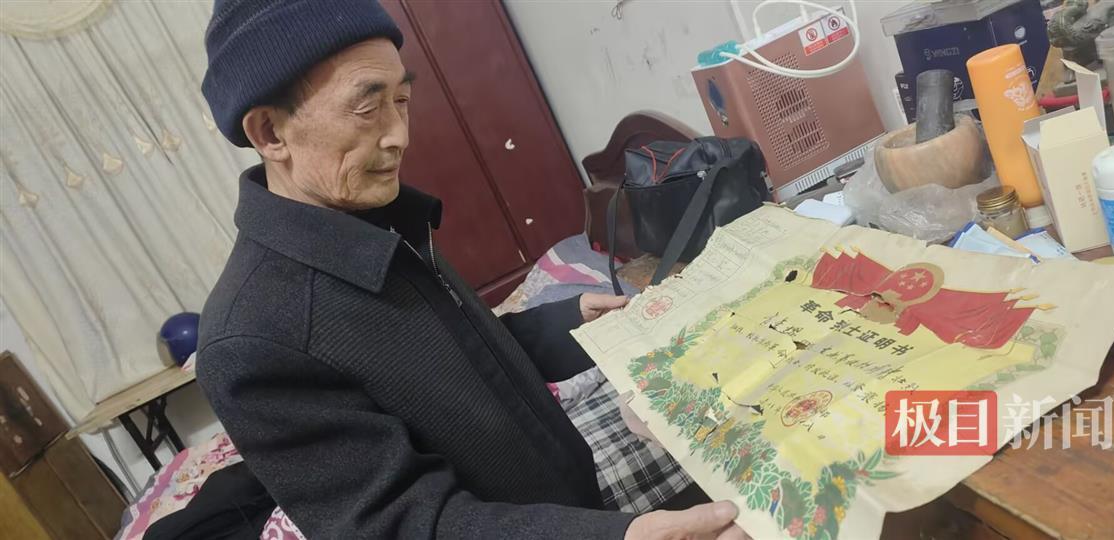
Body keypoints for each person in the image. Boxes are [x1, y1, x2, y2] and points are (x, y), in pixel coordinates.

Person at [196, 1, 747, 538]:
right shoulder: (253, 340)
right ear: (270, 132)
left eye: (402, 99)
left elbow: (451, 360)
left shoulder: (378, 221)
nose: (399, 135)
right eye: (366, 108)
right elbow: (407, 524)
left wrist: (567, 323)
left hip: (565, 505)